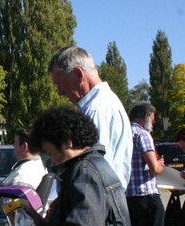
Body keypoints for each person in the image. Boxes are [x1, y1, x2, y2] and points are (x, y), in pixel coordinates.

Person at [48, 45, 132, 189]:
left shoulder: (96, 111)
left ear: (78, 74)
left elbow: (90, 172)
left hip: (93, 203)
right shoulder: (103, 105)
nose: (59, 92)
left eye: (60, 84)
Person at [126, 103, 184, 226]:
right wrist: (159, 164)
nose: (154, 122)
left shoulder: (122, 132)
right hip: (146, 197)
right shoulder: (142, 135)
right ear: (147, 116)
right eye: (154, 117)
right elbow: (154, 168)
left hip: (127, 197)